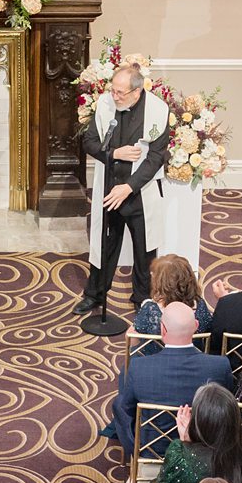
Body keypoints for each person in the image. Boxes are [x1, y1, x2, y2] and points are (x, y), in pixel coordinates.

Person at [75, 65, 171, 322]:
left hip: (139, 192)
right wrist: (115, 154)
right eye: (113, 90)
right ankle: (95, 294)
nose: (114, 97)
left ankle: (142, 299)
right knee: (105, 243)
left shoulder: (158, 112)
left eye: (120, 93)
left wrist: (128, 187)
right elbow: (90, 142)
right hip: (109, 188)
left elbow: (155, 158)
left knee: (144, 249)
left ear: (137, 92)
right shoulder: (105, 105)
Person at [103, 301, 234, 454]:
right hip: (205, 449)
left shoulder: (139, 368)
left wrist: (135, 449)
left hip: (151, 449)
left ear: (162, 330)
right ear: (196, 325)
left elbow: (124, 410)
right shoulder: (220, 366)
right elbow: (228, 410)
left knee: (120, 405)